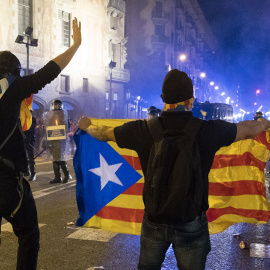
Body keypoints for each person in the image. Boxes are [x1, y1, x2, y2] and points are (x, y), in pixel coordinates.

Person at [78, 69, 270, 270]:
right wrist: (263, 123)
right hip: (191, 221)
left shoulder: (142, 130)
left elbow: (104, 134)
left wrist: (88, 126)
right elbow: (248, 129)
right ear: (191, 101)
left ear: (163, 99)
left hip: (155, 220)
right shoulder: (207, 130)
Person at [0, 17, 81, 270]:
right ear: (14, 73)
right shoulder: (10, 88)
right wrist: (75, 45)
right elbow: (48, 72)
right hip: (5, 182)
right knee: (28, 236)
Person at [46, 99, 72, 184]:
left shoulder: (63, 115)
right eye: (54, 104)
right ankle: (57, 177)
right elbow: (47, 126)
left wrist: (61, 130)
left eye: (57, 104)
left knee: (60, 158)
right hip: (52, 139)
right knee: (54, 159)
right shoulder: (50, 116)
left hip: (60, 140)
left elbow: (67, 128)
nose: (55, 106)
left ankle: (66, 175)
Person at [24, 112, 37, 181]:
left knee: (30, 157)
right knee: (24, 156)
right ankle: (26, 171)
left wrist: (27, 138)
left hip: (29, 140)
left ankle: (33, 173)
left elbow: (31, 129)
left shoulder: (32, 119)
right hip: (23, 139)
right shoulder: (22, 119)